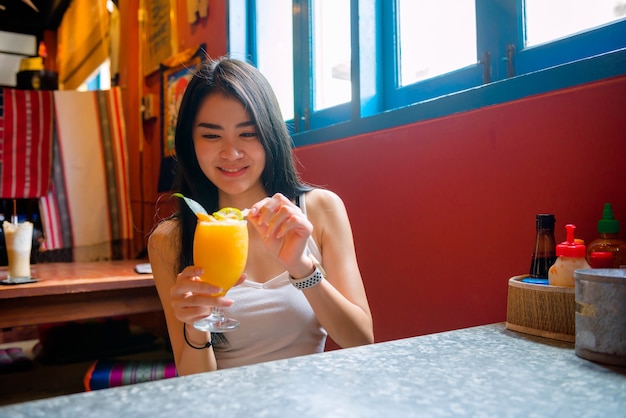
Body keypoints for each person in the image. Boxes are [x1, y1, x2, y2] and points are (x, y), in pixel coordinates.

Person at [148, 57, 374, 376]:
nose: (231, 152)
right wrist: (197, 326)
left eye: (248, 133)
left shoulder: (320, 210)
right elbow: (194, 383)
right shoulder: (169, 240)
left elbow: (362, 341)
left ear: (269, 134)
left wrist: (301, 267)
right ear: (190, 143)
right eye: (212, 136)